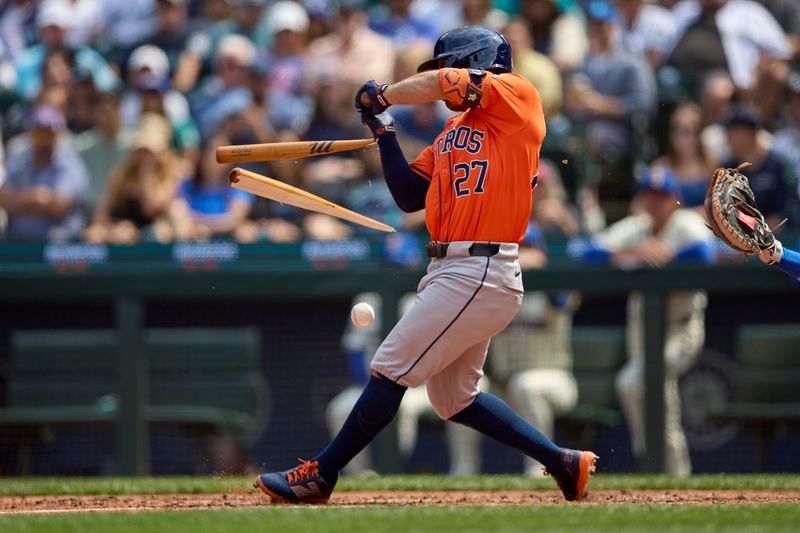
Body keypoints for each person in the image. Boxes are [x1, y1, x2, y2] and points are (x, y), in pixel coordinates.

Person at [254, 25, 598, 504]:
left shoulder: (518, 96)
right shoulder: (454, 133)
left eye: (447, 65)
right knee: (452, 399)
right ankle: (562, 461)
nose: (440, 77)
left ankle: (322, 474)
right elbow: (409, 195)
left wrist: (383, 94)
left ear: (477, 61)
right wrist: (384, 131)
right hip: (454, 269)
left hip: (480, 266)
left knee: (390, 367)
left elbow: (446, 83)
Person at [568, 168, 715, 475]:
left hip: (680, 328)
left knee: (635, 382)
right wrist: (626, 253)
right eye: (648, 194)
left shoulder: (685, 222)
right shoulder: (636, 228)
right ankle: (669, 473)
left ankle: (656, 464)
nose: (653, 202)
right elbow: (580, 250)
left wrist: (667, 254)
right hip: (643, 330)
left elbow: (705, 252)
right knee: (656, 399)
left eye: (661, 196)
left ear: (674, 199)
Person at [0, 105, 89, 241]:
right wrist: (31, 198)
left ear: (57, 135)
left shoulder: (70, 164)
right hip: (19, 243)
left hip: (61, 247)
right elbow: (4, 200)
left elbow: (58, 207)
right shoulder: (19, 161)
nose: (43, 140)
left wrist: (18, 203)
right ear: (30, 134)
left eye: (48, 134)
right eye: (38, 133)